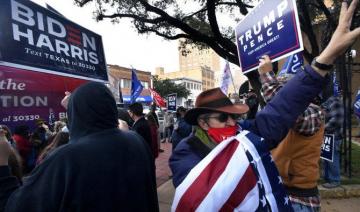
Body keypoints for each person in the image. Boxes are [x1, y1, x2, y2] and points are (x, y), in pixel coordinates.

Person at [169, 1, 360, 211]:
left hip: (298, 198)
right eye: (223, 118)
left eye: (234, 116)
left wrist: (325, 58)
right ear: (203, 123)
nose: (232, 122)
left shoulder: (246, 134)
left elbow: (281, 111)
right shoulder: (186, 152)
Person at [0, 82, 159, 211]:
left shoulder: (65, 159)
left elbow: (12, 206)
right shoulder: (137, 142)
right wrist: (75, 106)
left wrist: (2, 163)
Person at [259, 59, 325, 211]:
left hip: (299, 200)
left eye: (285, 90)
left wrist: (267, 75)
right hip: (279, 191)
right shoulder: (282, 114)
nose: (283, 95)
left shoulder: (314, 112)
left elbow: (285, 109)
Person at [322, 92, 344, 188]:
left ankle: (335, 180)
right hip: (327, 135)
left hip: (334, 136)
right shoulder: (326, 102)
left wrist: (322, 128)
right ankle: (328, 178)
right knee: (326, 158)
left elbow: (337, 120)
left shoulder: (335, 102)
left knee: (333, 159)